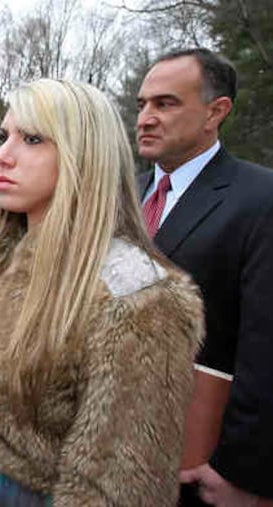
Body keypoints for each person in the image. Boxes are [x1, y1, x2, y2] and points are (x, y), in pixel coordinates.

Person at [0, 79, 204, 505]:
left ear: (84, 155)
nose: (3, 156)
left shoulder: (138, 297)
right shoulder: (0, 262)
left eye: (33, 139)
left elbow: (119, 488)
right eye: (5, 137)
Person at [136, 48, 273, 506]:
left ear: (217, 111)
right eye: (142, 105)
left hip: (202, 468)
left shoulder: (260, 199)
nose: (146, 118)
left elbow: (264, 345)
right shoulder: (124, 195)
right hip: (114, 453)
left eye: (166, 103)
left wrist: (243, 472)